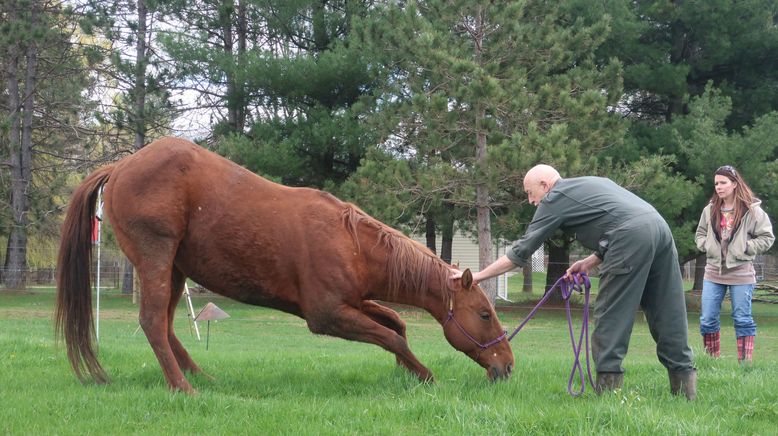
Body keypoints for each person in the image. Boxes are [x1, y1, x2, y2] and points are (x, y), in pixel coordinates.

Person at [452, 164, 696, 399]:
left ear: (545, 185)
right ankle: (685, 393)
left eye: (530, 193)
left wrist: (478, 276)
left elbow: (520, 253)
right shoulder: (592, 183)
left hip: (631, 236)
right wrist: (590, 261)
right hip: (659, 228)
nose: (530, 201)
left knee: (612, 315)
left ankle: (609, 396)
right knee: (668, 311)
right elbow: (620, 220)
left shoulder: (554, 198)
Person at [695, 165, 774, 362]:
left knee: (742, 318)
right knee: (707, 318)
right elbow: (700, 234)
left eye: (723, 182)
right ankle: (711, 361)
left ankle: (745, 364)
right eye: (716, 183)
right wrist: (707, 246)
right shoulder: (709, 210)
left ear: (734, 184)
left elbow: (767, 237)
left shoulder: (752, 210)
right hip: (713, 272)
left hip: (741, 273)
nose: (719, 187)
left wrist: (746, 247)